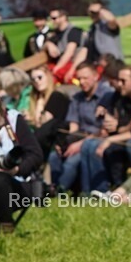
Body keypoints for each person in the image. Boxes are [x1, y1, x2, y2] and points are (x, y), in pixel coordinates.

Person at [0, 65, 43, 238]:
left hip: (13, 187)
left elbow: (35, 154)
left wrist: (15, 169)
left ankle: (7, 230)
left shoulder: (11, 119)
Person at [51, 63, 113, 195]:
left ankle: (59, 192)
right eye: (79, 79)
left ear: (96, 77)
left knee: (72, 162)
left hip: (99, 138)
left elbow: (105, 130)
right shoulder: (77, 98)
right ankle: (53, 187)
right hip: (80, 137)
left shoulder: (107, 96)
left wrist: (80, 144)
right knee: (54, 156)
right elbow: (74, 126)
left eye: (86, 78)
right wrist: (67, 143)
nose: (82, 82)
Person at [26, 65, 70, 159]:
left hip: (56, 143)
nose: (37, 81)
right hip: (45, 143)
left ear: (48, 77)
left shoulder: (56, 96)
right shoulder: (37, 99)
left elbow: (42, 124)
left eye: (40, 77)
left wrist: (39, 105)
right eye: (33, 79)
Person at [46, 9, 84, 83]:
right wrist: (48, 44)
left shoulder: (74, 31)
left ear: (63, 17)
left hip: (71, 68)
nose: (51, 21)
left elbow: (69, 53)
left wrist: (56, 69)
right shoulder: (54, 34)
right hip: (59, 68)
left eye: (54, 18)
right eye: (50, 18)